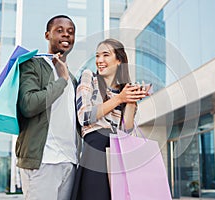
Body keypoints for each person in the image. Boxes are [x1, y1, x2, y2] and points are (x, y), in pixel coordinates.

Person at [72, 39, 150, 200]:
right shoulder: (89, 77)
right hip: (95, 151)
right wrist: (119, 99)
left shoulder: (123, 91)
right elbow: (84, 116)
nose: (100, 60)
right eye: (97, 56)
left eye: (106, 55)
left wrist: (131, 101)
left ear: (119, 60)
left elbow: (126, 130)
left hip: (118, 153)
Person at [16, 15, 81, 200]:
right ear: (47, 35)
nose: (66, 35)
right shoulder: (33, 65)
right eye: (59, 30)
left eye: (70, 32)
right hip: (43, 161)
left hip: (69, 161)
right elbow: (28, 105)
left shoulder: (73, 79)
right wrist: (61, 81)